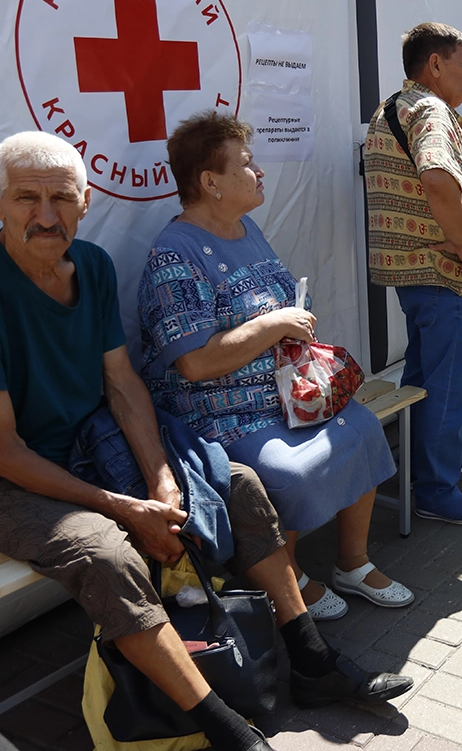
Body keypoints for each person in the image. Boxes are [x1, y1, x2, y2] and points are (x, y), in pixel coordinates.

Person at [0, 133, 410, 751]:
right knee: (107, 554)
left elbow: (123, 385)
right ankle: (233, 740)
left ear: (86, 202)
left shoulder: (89, 267)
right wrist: (127, 508)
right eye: (26, 197)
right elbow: (2, 451)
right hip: (2, 479)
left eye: (61, 196)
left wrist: (158, 477)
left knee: (237, 486)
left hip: (94, 446)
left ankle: (313, 660)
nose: (46, 214)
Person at [137, 113, 412, 619]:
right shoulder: (172, 256)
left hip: (283, 394)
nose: (259, 171)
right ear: (209, 183)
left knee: (365, 429)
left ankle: (352, 563)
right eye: (246, 164)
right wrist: (277, 324)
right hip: (220, 415)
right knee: (291, 471)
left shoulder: (246, 229)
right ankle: (289, 575)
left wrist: (290, 324)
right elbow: (195, 363)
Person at [364, 22, 462, 525]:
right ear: (435, 64)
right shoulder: (431, 110)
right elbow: (438, 177)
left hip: (416, 273)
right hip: (444, 273)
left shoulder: (392, 106)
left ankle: (419, 474)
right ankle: (437, 491)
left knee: (423, 380)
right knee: (450, 386)